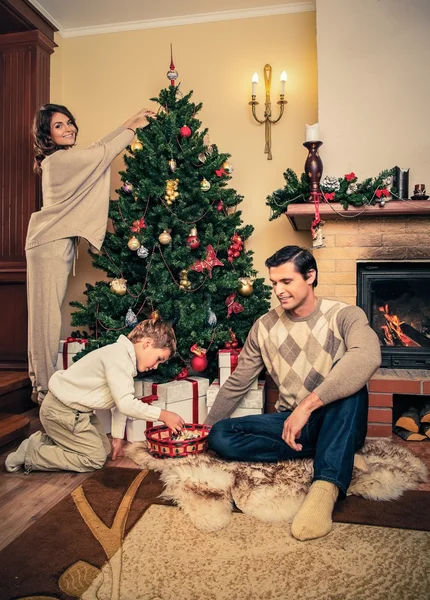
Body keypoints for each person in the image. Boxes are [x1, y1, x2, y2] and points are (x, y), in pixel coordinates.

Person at [205, 245, 381, 541]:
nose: (278, 290)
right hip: (292, 427)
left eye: (286, 282)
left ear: (310, 276)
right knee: (221, 435)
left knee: (350, 377)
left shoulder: (344, 315)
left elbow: (368, 357)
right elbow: (239, 382)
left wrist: (307, 406)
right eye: (274, 283)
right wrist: (205, 428)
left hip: (338, 417)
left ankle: (325, 486)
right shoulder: (263, 327)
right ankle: (336, 453)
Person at [26, 103, 156, 405]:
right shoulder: (58, 161)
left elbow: (98, 147)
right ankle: (45, 392)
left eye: (69, 122)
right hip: (49, 245)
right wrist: (134, 127)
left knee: (46, 318)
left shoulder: (67, 159)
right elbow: (102, 154)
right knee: (46, 321)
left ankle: (41, 387)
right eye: (59, 126)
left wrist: (129, 120)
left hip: (53, 244)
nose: (68, 128)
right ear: (46, 134)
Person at [5, 318, 184, 473]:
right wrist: (163, 415)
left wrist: (117, 437)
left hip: (79, 414)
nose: (156, 366)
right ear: (147, 343)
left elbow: (119, 403)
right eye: (159, 359)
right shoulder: (118, 357)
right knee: (94, 458)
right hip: (61, 411)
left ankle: (46, 441)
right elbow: (125, 404)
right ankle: (31, 454)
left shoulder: (123, 359)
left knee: (104, 448)